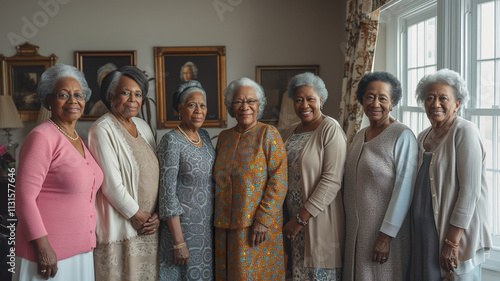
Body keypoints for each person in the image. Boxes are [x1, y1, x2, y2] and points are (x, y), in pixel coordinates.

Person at [14, 64, 103, 281]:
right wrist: (43, 247)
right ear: (49, 100)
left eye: (78, 95)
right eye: (63, 95)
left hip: (80, 250)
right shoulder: (42, 137)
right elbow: (23, 198)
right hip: (48, 253)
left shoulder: (77, 138)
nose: (73, 100)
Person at [411, 69, 491, 280]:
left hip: (453, 237)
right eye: (429, 98)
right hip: (425, 236)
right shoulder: (422, 136)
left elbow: (469, 192)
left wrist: (452, 242)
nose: (435, 103)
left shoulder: (465, 132)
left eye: (443, 98)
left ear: (457, 104)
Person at [343, 72, 418, 280]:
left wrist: (386, 236)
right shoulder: (359, 135)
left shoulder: (402, 135)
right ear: (362, 100)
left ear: (392, 103)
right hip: (355, 235)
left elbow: (405, 189)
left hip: (383, 236)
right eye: (369, 97)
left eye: (382, 98)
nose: (375, 103)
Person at [88, 66, 160, 281]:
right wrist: (137, 216)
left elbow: (154, 174)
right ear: (111, 96)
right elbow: (110, 183)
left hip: (149, 227)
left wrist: (156, 216)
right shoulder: (101, 129)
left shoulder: (144, 126)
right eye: (125, 92)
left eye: (138, 94)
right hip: (123, 227)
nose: (133, 99)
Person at [213, 77, 287, 280]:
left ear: (259, 105)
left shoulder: (268, 134)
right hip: (223, 227)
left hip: (255, 228)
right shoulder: (224, 137)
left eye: (251, 101)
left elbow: (279, 181)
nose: (245, 107)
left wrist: (263, 220)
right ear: (231, 106)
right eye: (238, 102)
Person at [281, 73, 346, 280]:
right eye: (299, 100)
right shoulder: (291, 131)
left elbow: (332, 180)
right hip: (293, 222)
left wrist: (301, 219)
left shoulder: (330, 128)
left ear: (321, 100)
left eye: (310, 99)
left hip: (318, 220)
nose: (304, 105)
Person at [157, 80, 215, 280]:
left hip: (206, 230)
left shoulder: (205, 137)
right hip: (182, 231)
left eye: (203, 105)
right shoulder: (171, 141)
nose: (198, 110)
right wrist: (179, 241)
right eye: (192, 105)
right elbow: (167, 193)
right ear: (180, 109)